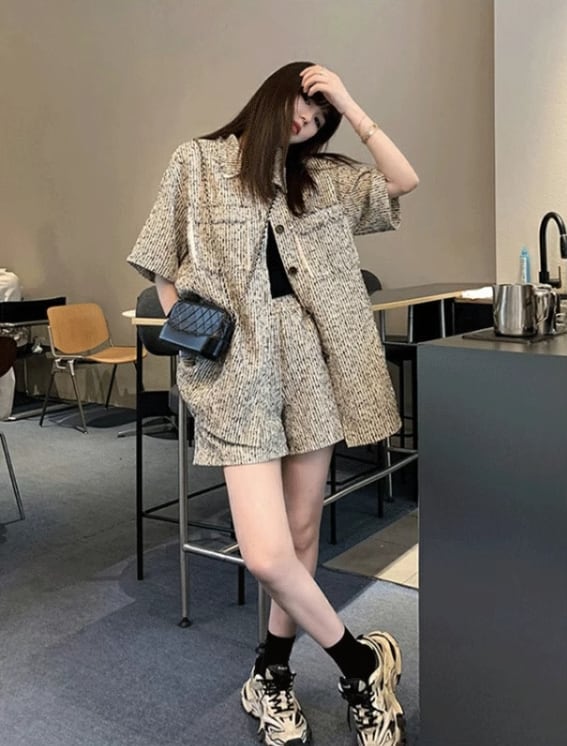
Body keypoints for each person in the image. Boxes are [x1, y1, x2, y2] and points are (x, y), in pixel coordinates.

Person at [128, 61, 418, 746]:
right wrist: (193, 329)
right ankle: (360, 665)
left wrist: (348, 100)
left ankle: (272, 675)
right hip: (236, 365)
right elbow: (160, 260)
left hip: (308, 361)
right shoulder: (198, 161)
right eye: (305, 102)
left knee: (302, 533)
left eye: (319, 118)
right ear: (274, 91)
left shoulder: (317, 178)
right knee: (264, 553)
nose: (307, 120)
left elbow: (402, 180)